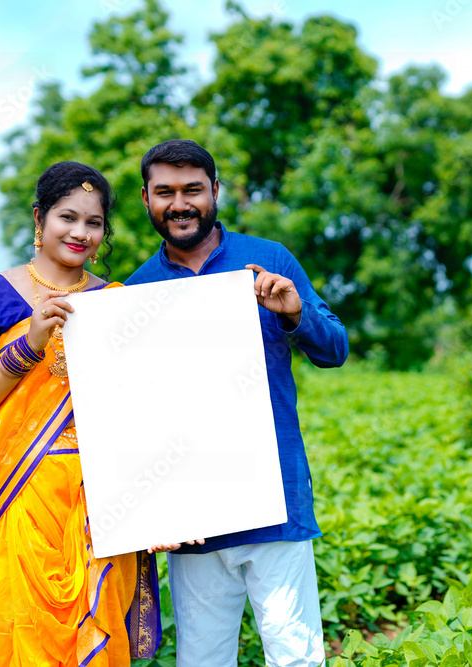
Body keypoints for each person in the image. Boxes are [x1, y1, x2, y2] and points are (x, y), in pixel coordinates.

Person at [126, 139, 349, 667]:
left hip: (276, 505)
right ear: (147, 199)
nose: (180, 204)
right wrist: (152, 509)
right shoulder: (135, 291)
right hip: (193, 521)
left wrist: (294, 313)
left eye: (193, 190)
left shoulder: (269, 259)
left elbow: (335, 349)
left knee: (296, 657)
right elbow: (134, 417)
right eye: (165, 192)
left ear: (215, 191)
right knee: (203, 659)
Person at [0, 162, 169, 666]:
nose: (81, 233)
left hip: (101, 503)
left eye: (94, 223)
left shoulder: (115, 302)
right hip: (18, 495)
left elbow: (137, 416)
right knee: (18, 630)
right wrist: (28, 345)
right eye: (68, 217)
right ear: (39, 218)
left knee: (96, 635)